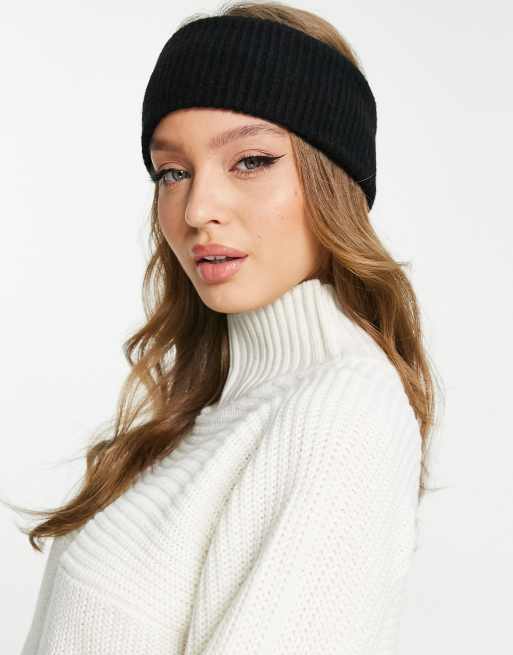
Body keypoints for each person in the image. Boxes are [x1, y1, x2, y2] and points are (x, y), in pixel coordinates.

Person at [17, 2, 442, 653]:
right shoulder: (208, 413)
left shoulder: (341, 410)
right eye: (173, 172)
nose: (197, 209)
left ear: (333, 179)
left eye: (250, 161)